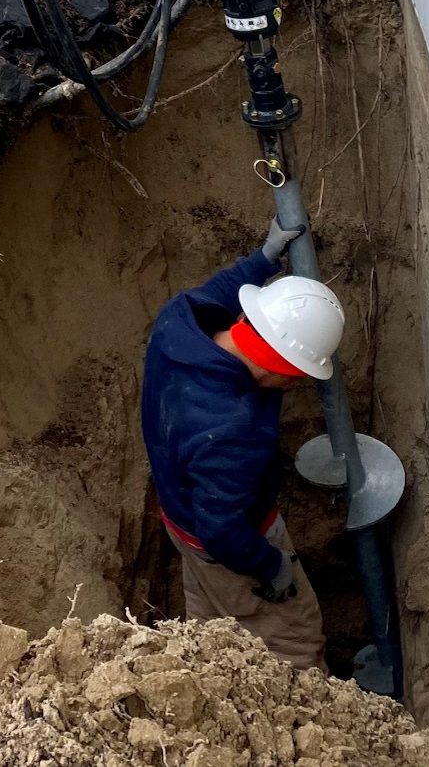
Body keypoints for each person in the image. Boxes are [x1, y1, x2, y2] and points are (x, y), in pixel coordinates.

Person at [140, 217, 346, 670]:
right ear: (283, 371)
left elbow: (222, 288)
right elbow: (222, 531)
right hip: (224, 539)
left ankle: (206, 684)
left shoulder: (180, 321)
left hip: (180, 516)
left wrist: (264, 258)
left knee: (210, 626)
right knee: (294, 636)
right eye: (297, 380)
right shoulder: (235, 430)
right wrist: (270, 565)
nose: (296, 387)